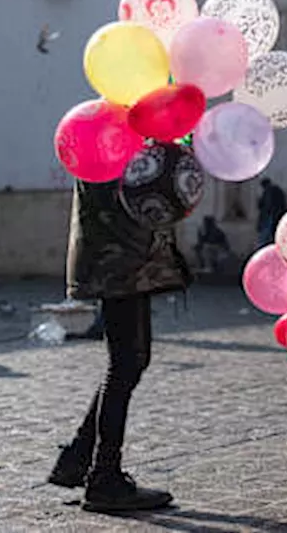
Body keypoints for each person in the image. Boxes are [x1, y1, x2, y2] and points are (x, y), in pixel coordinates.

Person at [48, 179, 191, 513]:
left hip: (117, 258)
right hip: (121, 260)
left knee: (128, 362)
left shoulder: (103, 134)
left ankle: (79, 457)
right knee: (127, 362)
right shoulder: (114, 136)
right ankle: (104, 478)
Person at [255, 177, 287, 247]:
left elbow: (267, 205)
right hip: (276, 217)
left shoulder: (268, 191)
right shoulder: (277, 190)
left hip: (270, 217)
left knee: (265, 237)